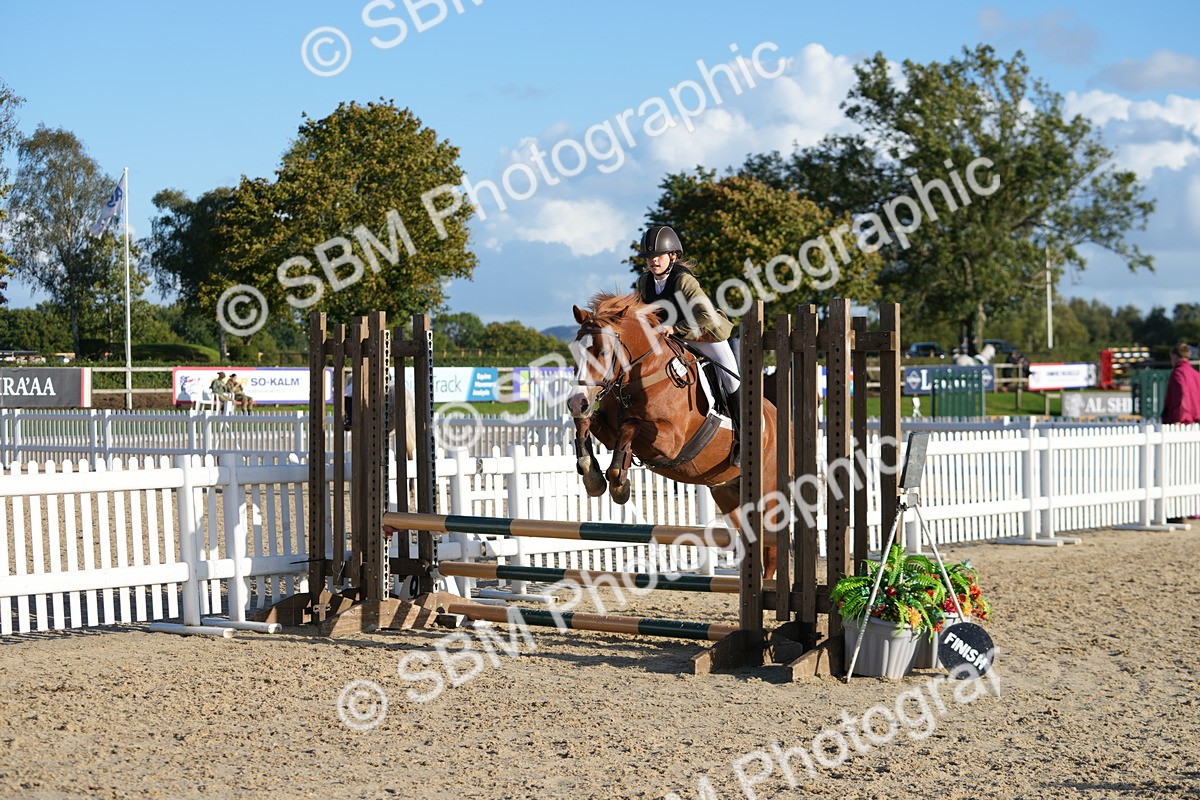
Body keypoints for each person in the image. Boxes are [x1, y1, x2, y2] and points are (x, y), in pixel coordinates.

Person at [633, 225, 742, 464]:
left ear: (672, 256)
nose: (653, 261)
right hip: (671, 337)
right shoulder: (644, 282)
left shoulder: (683, 280)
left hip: (704, 332)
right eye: (649, 258)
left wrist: (675, 328)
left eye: (658, 256)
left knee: (731, 378)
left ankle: (745, 437)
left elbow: (705, 315)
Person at [1162, 342, 1200, 424]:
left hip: (1182, 421)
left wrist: (1179, 418)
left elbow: (1181, 395)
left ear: (1175, 356)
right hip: (1195, 421)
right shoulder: (1196, 374)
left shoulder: (1178, 373)